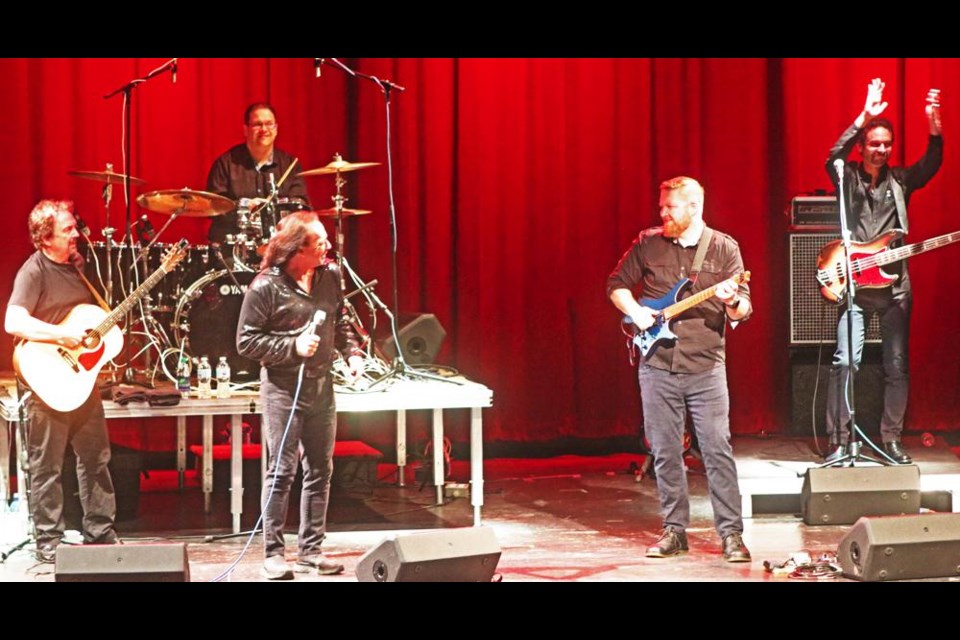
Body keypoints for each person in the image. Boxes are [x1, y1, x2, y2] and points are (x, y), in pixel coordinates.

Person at [607, 176, 752, 562]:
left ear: (693, 208)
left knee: (717, 449)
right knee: (666, 451)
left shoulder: (724, 249)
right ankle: (674, 531)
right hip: (657, 365)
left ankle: (732, 535)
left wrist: (733, 300)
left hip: (706, 366)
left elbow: (744, 310)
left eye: (670, 207)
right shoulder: (648, 242)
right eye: (662, 207)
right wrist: (636, 310)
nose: (663, 213)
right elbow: (617, 285)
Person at [236, 210, 364, 580]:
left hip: (322, 387)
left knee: (321, 470)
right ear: (296, 250)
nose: (327, 247)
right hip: (282, 389)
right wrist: (293, 346)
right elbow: (246, 341)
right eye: (318, 242)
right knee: (281, 471)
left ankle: (311, 550)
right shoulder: (265, 286)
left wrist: (352, 354)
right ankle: (274, 553)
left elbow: (340, 321)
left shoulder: (330, 275)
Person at [824, 78, 943, 465]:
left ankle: (891, 438)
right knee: (846, 361)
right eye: (874, 143)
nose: (880, 150)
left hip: (895, 288)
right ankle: (839, 441)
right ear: (863, 147)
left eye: (886, 144)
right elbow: (833, 155)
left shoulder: (901, 182)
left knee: (896, 366)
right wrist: (865, 115)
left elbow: (932, 164)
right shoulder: (848, 178)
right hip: (856, 285)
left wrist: (933, 124)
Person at [4, 200, 120, 563]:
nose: (76, 234)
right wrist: (60, 336)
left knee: (96, 458)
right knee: (47, 465)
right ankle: (49, 542)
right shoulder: (33, 271)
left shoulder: (78, 268)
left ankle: (100, 531)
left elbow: (88, 321)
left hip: (80, 380)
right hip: (45, 381)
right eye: (67, 229)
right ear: (44, 237)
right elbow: (13, 322)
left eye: (74, 227)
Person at [207, 102, 310, 244]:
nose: (264, 129)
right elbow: (214, 207)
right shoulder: (225, 164)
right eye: (257, 124)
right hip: (234, 247)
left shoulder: (290, 165)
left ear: (276, 128)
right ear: (245, 129)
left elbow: (300, 206)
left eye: (269, 124)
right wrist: (244, 206)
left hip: (278, 247)